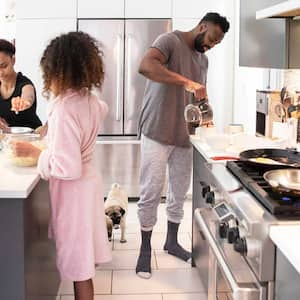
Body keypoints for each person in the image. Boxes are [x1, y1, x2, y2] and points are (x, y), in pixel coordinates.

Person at [14, 31, 112, 300]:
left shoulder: (65, 108)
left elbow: (68, 168)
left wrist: (37, 154)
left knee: (79, 267)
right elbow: (96, 114)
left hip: (74, 195)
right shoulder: (90, 101)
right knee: (84, 264)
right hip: (88, 187)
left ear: (56, 70)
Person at [136, 12, 230, 279]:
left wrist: (207, 119)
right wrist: (185, 81)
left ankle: (172, 241)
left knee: (179, 193)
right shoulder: (169, 40)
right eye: (212, 38)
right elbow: (145, 66)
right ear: (202, 26)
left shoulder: (204, 59)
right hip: (156, 130)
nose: (212, 45)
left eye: (217, 43)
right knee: (151, 192)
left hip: (186, 136)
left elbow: (200, 93)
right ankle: (144, 250)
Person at [0, 39, 42, 130]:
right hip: (7, 140)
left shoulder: (25, 84)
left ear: (13, 60)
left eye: (4, 66)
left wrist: (23, 102)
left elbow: (28, 96)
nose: (0, 73)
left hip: (32, 138)